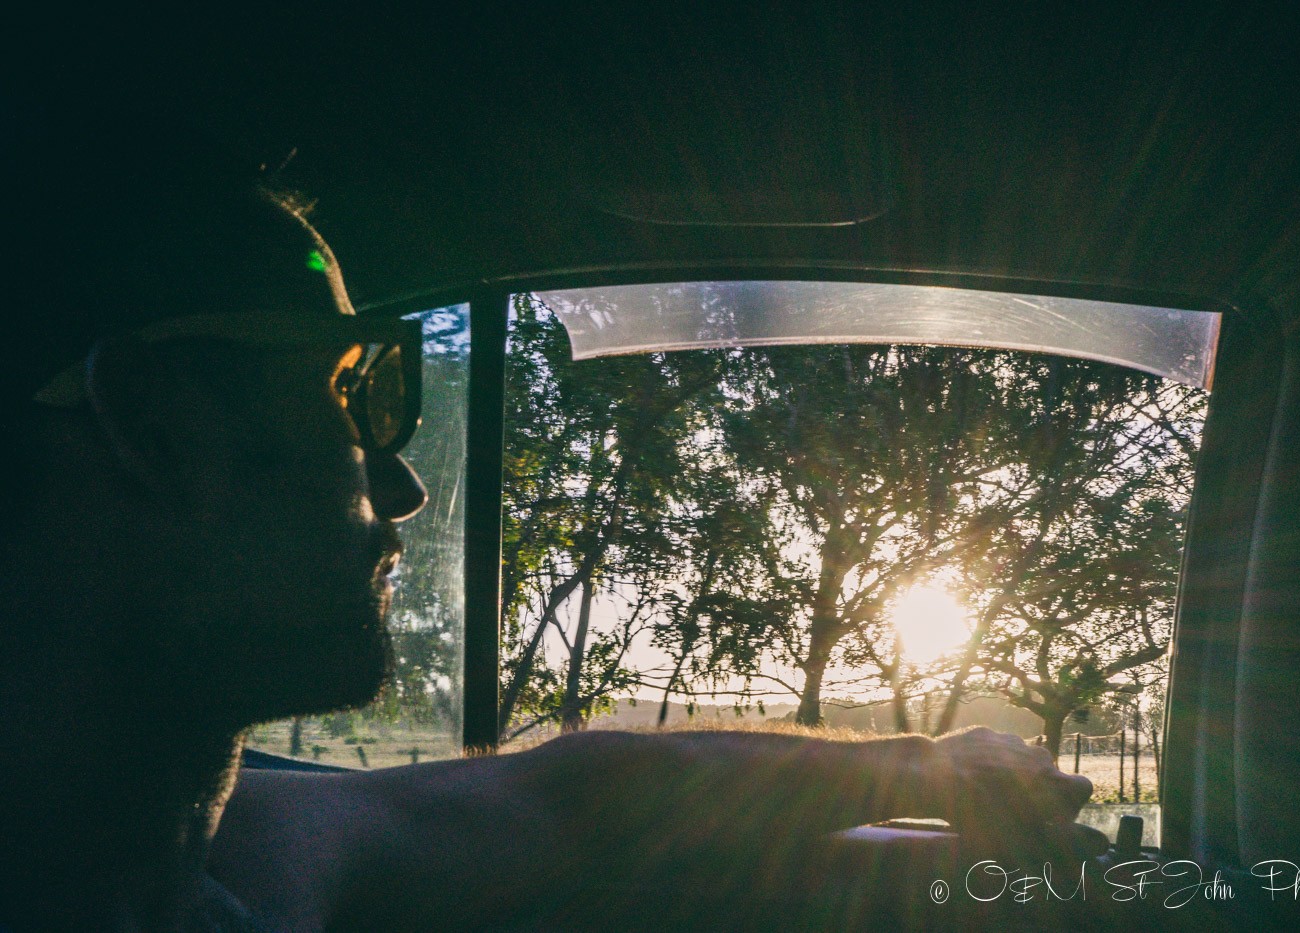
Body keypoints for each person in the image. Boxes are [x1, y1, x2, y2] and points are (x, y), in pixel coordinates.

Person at [0, 104, 1096, 932]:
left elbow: (566, 798)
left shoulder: (190, 862)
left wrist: (918, 764)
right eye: (355, 392)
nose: (403, 490)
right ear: (150, 423)